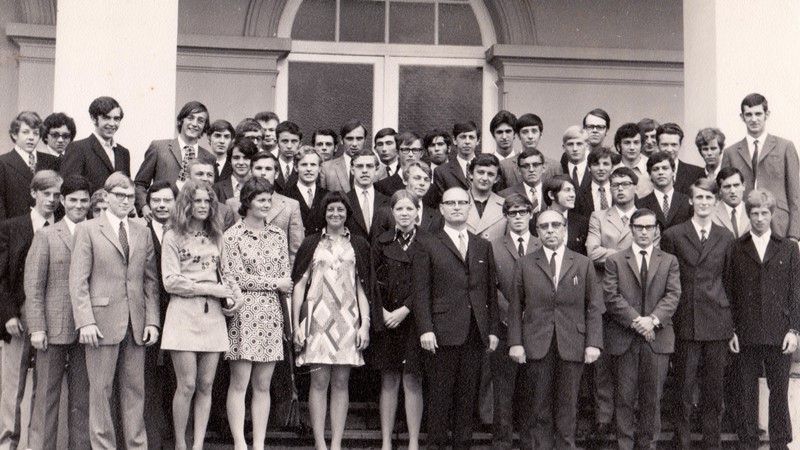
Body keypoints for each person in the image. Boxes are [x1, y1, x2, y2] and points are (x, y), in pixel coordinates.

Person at [69, 172, 159, 450]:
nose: (125, 200)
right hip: (100, 323)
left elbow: (150, 281)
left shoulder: (142, 231)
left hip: (136, 323)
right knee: (100, 391)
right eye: (119, 195)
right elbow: (78, 281)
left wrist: (152, 321)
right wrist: (85, 321)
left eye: (130, 196)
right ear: (106, 197)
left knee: (135, 391)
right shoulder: (88, 229)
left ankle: (136, 446)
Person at [508, 209, 603, 449]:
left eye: (555, 225)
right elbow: (516, 306)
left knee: (568, 406)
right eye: (544, 226)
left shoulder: (582, 263)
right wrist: (516, 343)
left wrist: (593, 343)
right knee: (538, 406)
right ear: (537, 231)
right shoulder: (524, 264)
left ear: (564, 229)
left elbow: (593, 306)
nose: (550, 230)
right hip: (536, 342)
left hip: (572, 342)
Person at [413, 187, 499, 450]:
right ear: (441, 208)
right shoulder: (428, 243)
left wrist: (492, 329)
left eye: (463, 202)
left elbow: (489, 291)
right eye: (451, 203)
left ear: (469, 207)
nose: (457, 207)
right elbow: (421, 290)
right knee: (439, 397)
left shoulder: (482, 245)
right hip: (440, 332)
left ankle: (463, 445)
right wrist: (425, 329)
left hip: (474, 331)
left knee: (467, 398)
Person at [160, 179, 241, 450]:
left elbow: (226, 274)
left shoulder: (217, 236)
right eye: (197, 201)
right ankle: (180, 444)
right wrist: (209, 289)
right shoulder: (172, 236)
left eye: (208, 201)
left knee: (206, 384)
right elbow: (170, 281)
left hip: (213, 316)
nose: (203, 206)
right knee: (187, 385)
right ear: (187, 203)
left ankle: (197, 445)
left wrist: (236, 297)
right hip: (183, 315)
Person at [292, 191, 373, 450]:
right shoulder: (312, 243)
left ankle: (336, 443)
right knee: (318, 382)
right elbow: (299, 285)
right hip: (317, 320)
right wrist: (296, 324)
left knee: (340, 383)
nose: (335, 214)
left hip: (348, 320)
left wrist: (365, 324)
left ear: (347, 213)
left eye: (340, 210)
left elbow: (362, 287)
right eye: (331, 210)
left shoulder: (358, 244)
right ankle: (320, 443)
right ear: (324, 213)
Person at [660, 178, 734, 450]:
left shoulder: (726, 237)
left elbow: (730, 281)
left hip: (717, 321)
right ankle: (682, 443)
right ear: (690, 201)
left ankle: (712, 444)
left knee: (714, 391)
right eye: (699, 197)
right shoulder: (673, 235)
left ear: (716, 201)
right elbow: (667, 281)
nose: (704, 202)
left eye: (709, 197)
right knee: (683, 389)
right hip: (685, 320)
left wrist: (732, 325)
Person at [727, 189, 800, 449]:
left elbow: (796, 291)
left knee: (778, 391)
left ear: (772, 214)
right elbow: (729, 290)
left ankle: (780, 443)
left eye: (764, 213)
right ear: (748, 215)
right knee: (745, 392)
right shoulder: (736, 247)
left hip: (779, 332)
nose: (759, 218)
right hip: (745, 333)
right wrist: (732, 330)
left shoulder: (788, 248)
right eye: (755, 213)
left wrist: (794, 330)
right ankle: (748, 442)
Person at [223, 177, 292, 450]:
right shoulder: (232, 236)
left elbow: (285, 275)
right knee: (239, 383)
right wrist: (274, 283)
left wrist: (276, 283)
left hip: (271, 315)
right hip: (243, 314)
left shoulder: (278, 235)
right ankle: (240, 443)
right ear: (247, 202)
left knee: (263, 384)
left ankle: (259, 444)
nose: (266, 204)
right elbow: (236, 277)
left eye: (269, 200)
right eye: (261, 200)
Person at [603, 208, 680, 450]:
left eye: (649, 227)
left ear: (656, 230)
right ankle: (624, 445)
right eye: (639, 227)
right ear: (631, 229)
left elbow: (673, 295)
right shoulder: (615, 260)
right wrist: (639, 321)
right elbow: (611, 296)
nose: (644, 232)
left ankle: (648, 445)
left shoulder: (669, 260)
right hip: (624, 338)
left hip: (657, 339)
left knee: (652, 400)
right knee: (624, 398)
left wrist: (652, 320)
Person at [24, 175, 91, 450]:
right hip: (52, 328)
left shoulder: (97, 233)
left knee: (83, 398)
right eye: (73, 200)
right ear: (62, 200)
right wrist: (37, 327)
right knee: (46, 398)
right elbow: (34, 286)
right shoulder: (47, 235)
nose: (79, 205)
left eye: (84, 200)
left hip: (88, 329)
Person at [585, 167, 651, 442]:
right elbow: (592, 252)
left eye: (625, 184)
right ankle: (604, 417)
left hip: (637, 299)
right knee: (603, 363)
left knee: (634, 366)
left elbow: (650, 254)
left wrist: (613, 255)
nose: (620, 188)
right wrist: (628, 255)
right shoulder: (599, 216)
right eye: (615, 185)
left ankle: (631, 417)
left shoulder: (646, 218)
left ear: (636, 187)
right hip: (605, 297)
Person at [0, 170, 62, 450]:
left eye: (56, 195)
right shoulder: (12, 227)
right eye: (46, 193)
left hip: (53, 315)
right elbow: (1, 276)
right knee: (13, 386)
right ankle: (7, 444)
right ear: (33, 193)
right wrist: (9, 314)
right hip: (20, 315)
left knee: (45, 386)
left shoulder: (64, 226)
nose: (51, 200)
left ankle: (37, 446)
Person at [367, 190, 425, 450]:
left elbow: (428, 282)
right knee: (389, 380)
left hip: (414, 320)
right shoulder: (381, 242)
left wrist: (406, 309)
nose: (404, 213)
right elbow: (371, 280)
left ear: (417, 212)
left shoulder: (427, 241)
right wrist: (382, 311)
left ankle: (413, 442)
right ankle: (386, 442)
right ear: (392, 212)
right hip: (387, 320)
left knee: (412, 379)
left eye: (409, 208)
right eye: (399, 209)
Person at [489, 194, 542, 450]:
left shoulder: (543, 244)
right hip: (504, 326)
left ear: (531, 215)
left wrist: (530, 315)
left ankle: (530, 443)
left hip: (537, 326)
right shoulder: (493, 246)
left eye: (523, 212)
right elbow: (490, 287)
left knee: (533, 389)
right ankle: (502, 442)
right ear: (506, 217)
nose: (518, 217)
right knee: (503, 390)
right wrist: (511, 315)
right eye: (512, 213)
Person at [721, 92, 800, 240]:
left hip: (779, 224)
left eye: (758, 114)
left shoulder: (785, 147)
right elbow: (724, 194)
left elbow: (795, 193)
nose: (754, 119)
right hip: (743, 224)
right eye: (749, 114)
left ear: (767, 114)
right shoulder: (730, 152)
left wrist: (794, 234)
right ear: (742, 117)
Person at [141, 181, 178, 449]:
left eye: (167, 200)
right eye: (156, 201)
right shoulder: (139, 232)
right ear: (148, 204)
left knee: (179, 380)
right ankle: (153, 441)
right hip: (148, 316)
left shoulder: (185, 232)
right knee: (149, 379)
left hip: (181, 314)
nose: (162, 205)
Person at [134, 101, 216, 217]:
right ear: (181, 120)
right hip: (162, 217)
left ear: (204, 126)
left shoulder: (209, 158)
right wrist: (144, 206)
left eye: (200, 121)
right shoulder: (158, 148)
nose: (195, 124)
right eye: (190, 118)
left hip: (193, 219)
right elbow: (140, 183)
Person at [61, 96, 131, 194]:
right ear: (94, 119)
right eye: (106, 118)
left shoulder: (123, 153)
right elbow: (69, 189)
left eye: (116, 119)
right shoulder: (78, 148)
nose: (112, 123)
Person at [0, 111, 60, 220]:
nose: (31, 137)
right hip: (15, 226)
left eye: (36, 133)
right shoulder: (3, 162)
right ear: (14, 134)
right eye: (25, 132)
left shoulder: (52, 161)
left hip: (47, 224)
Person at [499, 113, 560, 191]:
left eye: (534, 131)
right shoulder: (504, 166)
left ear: (540, 135)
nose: (530, 136)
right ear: (518, 136)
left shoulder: (555, 167)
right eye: (525, 132)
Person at [638, 151, 693, 232]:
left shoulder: (687, 202)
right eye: (655, 169)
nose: (660, 172)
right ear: (650, 175)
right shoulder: (640, 204)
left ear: (673, 172)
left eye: (665, 168)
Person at [345, 148, 390, 243]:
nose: (364, 171)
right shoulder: (344, 201)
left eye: (369, 166)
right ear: (352, 170)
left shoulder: (388, 202)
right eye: (360, 166)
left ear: (376, 170)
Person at [539, 175, 589, 255]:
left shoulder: (582, 222)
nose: (573, 195)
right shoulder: (535, 221)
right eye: (567, 190)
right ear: (551, 195)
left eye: (573, 190)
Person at [433, 121, 480, 202]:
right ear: (454, 140)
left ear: (478, 141)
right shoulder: (441, 172)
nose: (467, 141)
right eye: (463, 137)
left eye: (471, 137)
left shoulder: (487, 167)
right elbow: (441, 203)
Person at [286, 146, 328, 236]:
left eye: (313, 165)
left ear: (319, 168)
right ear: (296, 167)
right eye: (304, 165)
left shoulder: (327, 196)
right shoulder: (285, 196)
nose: (309, 169)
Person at [319, 120, 369, 193]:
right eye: (349, 139)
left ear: (365, 140)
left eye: (359, 139)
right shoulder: (326, 168)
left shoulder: (379, 169)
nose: (354, 144)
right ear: (341, 140)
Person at [466, 153, 506, 243]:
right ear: (471, 174)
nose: (485, 178)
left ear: (496, 179)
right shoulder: (457, 201)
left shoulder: (504, 205)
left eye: (490, 174)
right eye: (480, 172)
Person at [656, 123, 704, 196]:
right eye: (665, 145)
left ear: (680, 145)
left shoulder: (696, 173)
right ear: (657, 145)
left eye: (674, 145)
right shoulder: (648, 174)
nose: (669, 149)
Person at [499, 148, 548, 214]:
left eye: (535, 165)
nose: (531, 170)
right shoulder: (505, 195)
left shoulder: (552, 192)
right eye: (525, 166)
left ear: (543, 168)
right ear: (519, 170)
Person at [574, 147, 619, 218]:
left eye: (605, 164)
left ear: (612, 167)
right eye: (596, 164)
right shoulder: (578, 196)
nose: (601, 168)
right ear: (589, 168)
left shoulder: (621, 191)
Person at [614, 123, 653, 199]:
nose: (632, 147)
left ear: (641, 145)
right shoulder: (612, 171)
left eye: (636, 142)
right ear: (618, 146)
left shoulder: (653, 167)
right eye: (627, 143)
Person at [214, 138, 259, 204]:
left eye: (246, 158)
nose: (241, 162)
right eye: (236, 158)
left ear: (253, 161)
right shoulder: (217, 189)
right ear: (230, 160)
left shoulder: (259, 186)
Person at [559, 125, 592, 210]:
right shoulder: (559, 170)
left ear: (587, 146)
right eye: (570, 144)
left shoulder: (594, 170)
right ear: (564, 147)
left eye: (579, 144)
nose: (575, 149)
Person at [712, 167, 750, 237]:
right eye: (727, 187)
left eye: (736, 185)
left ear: (743, 186)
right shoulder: (711, 215)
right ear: (719, 190)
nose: (732, 191)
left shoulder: (753, 212)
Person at [274, 121, 301, 194]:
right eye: (285, 141)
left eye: (294, 141)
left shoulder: (303, 167)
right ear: (277, 143)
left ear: (300, 143)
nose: (289, 146)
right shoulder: (270, 166)